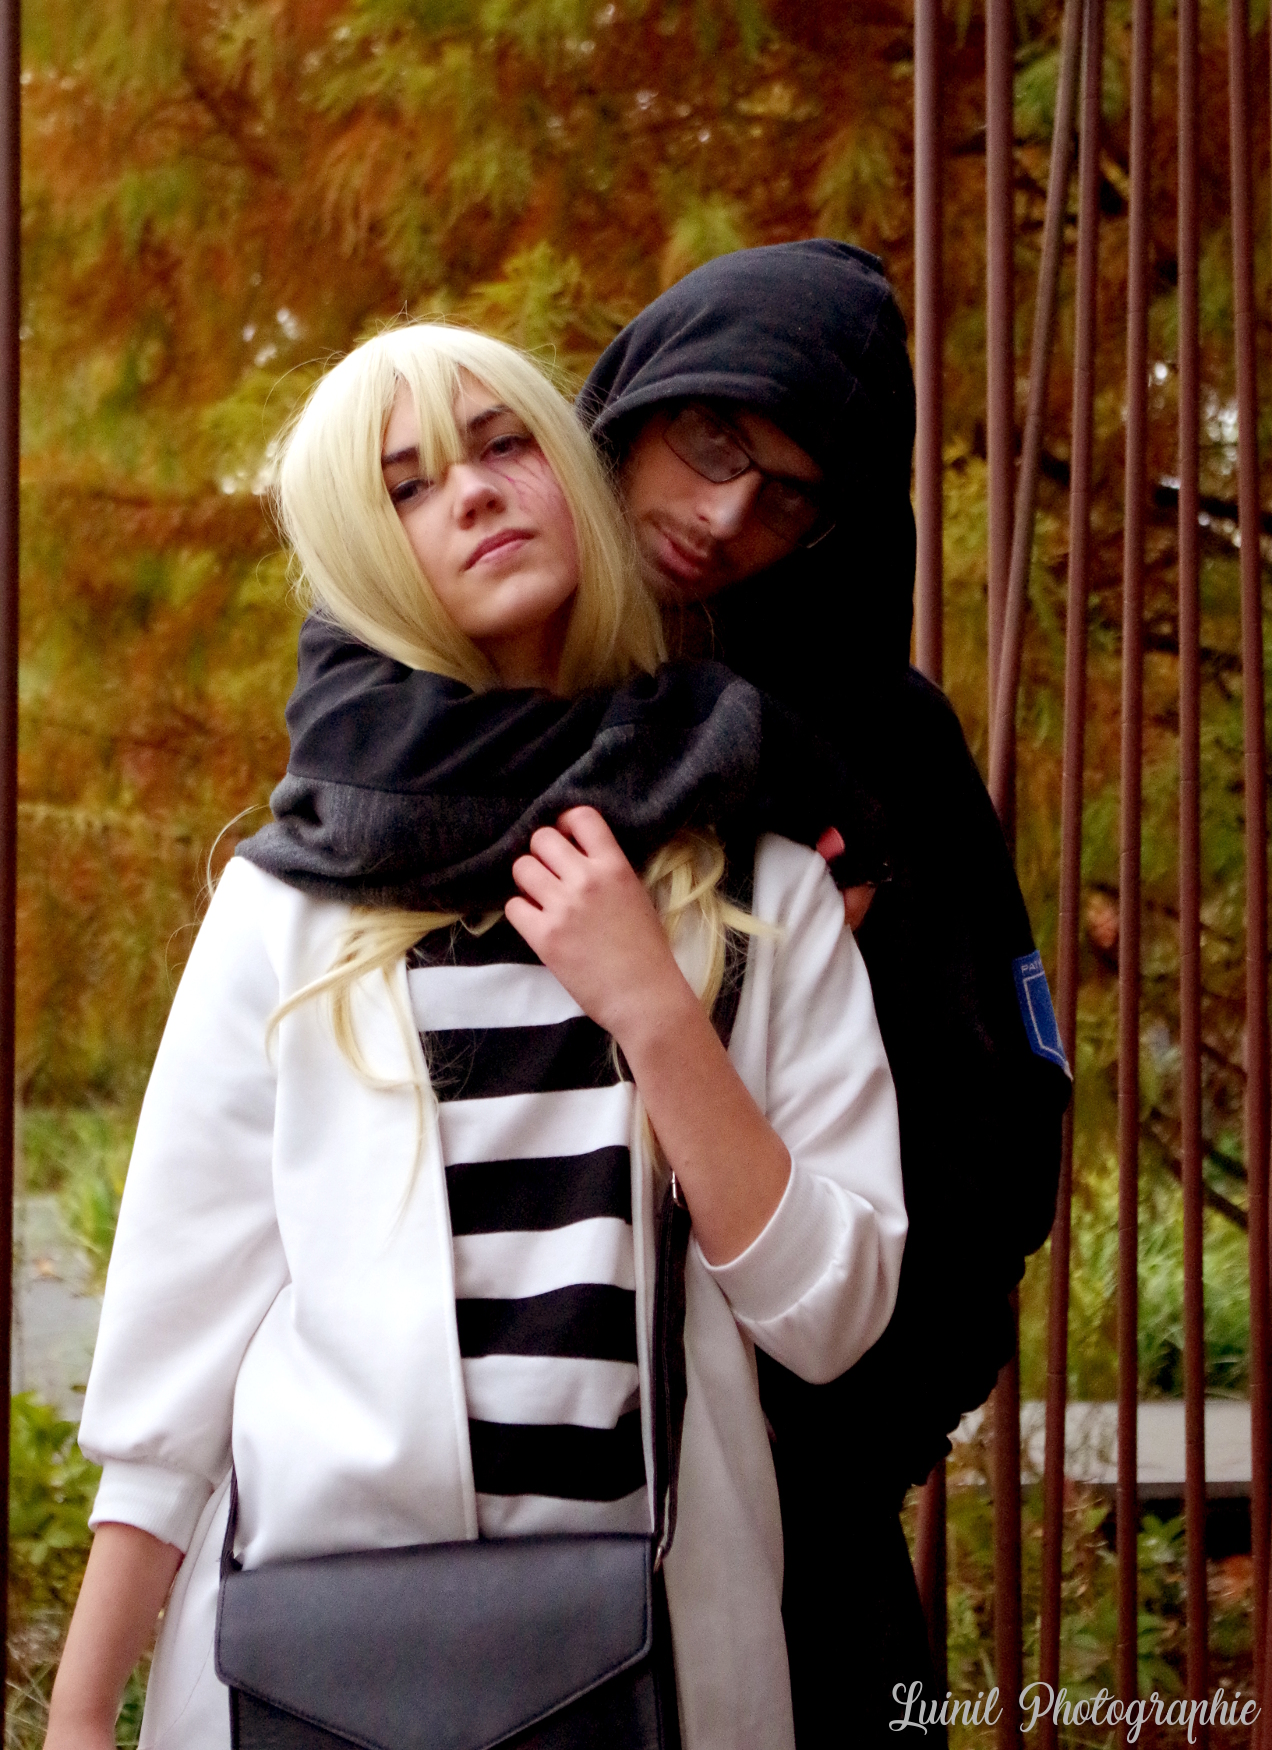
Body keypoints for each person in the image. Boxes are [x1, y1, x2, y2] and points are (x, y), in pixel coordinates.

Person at [246, 241, 1071, 1745]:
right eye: (711, 440)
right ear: (628, 407)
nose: (727, 516)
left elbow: (996, 1119)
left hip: (803, 1482)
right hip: (463, 1528)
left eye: (791, 497)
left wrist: (862, 1432)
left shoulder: (882, 752)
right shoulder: (415, 697)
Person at [45, 323, 908, 1750]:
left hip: (656, 1670)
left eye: (507, 444)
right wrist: (80, 1716)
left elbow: (832, 1316)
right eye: (407, 484)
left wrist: (654, 1010)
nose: (477, 491)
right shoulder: (293, 900)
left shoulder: (756, 875)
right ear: (363, 551)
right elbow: (174, 1349)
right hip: (303, 1674)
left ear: (570, 466)